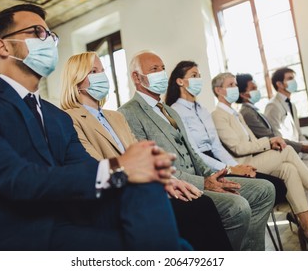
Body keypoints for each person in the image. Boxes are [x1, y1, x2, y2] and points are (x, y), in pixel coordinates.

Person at [0, 4, 184, 251]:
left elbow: (87, 168)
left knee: (147, 185)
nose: (49, 41)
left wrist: (145, 170)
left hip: (70, 218)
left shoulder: (58, 117)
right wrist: (122, 165)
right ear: (4, 46)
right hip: (11, 233)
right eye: (37, 33)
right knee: (174, 247)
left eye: (51, 36)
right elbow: (16, 179)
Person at [59, 52, 232, 251]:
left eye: (103, 71)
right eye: (94, 71)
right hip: (120, 194)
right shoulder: (69, 119)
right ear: (76, 79)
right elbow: (95, 166)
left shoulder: (115, 116)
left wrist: (170, 180)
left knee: (201, 203)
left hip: (147, 184)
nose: (102, 76)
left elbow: (143, 156)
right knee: (198, 208)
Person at [118, 50, 275, 251]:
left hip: (203, 178)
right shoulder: (129, 112)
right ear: (136, 77)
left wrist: (215, 176)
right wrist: (204, 183)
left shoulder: (169, 110)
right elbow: (151, 165)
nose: (161, 73)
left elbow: (193, 152)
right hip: (180, 186)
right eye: (154, 69)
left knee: (264, 189)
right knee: (238, 207)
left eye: (163, 68)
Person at [211, 72, 308, 250]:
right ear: (219, 90)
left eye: (235, 84)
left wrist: (268, 144)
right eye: (231, 85)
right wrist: (269, 142)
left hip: (255, 159)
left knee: (289, 169)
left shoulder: (236, 114)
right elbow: (238, 148)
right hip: (243, 166)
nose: (235, 88)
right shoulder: (218, 115)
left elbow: (251, 143)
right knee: (286, 149)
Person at [165, 61, 287, 206]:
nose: (199, 79)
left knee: (278, 186)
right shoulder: (175, 110)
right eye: (194, 76)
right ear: (180, 81)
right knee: (269, 187)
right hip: (202, 166)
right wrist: (229, 168)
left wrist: (236, 167)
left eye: (199, 75)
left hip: (219, 162)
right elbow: (194, 152)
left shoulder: (203, 110)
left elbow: (216, 147)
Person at [236, 72, 308, 224]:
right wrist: (304, 148)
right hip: (274, 153)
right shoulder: (253, 111)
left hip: (284, 147)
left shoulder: (256, 110)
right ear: (243, 93)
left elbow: (288, 134)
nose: (257, 90)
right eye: (253, 88)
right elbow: (272, 137)